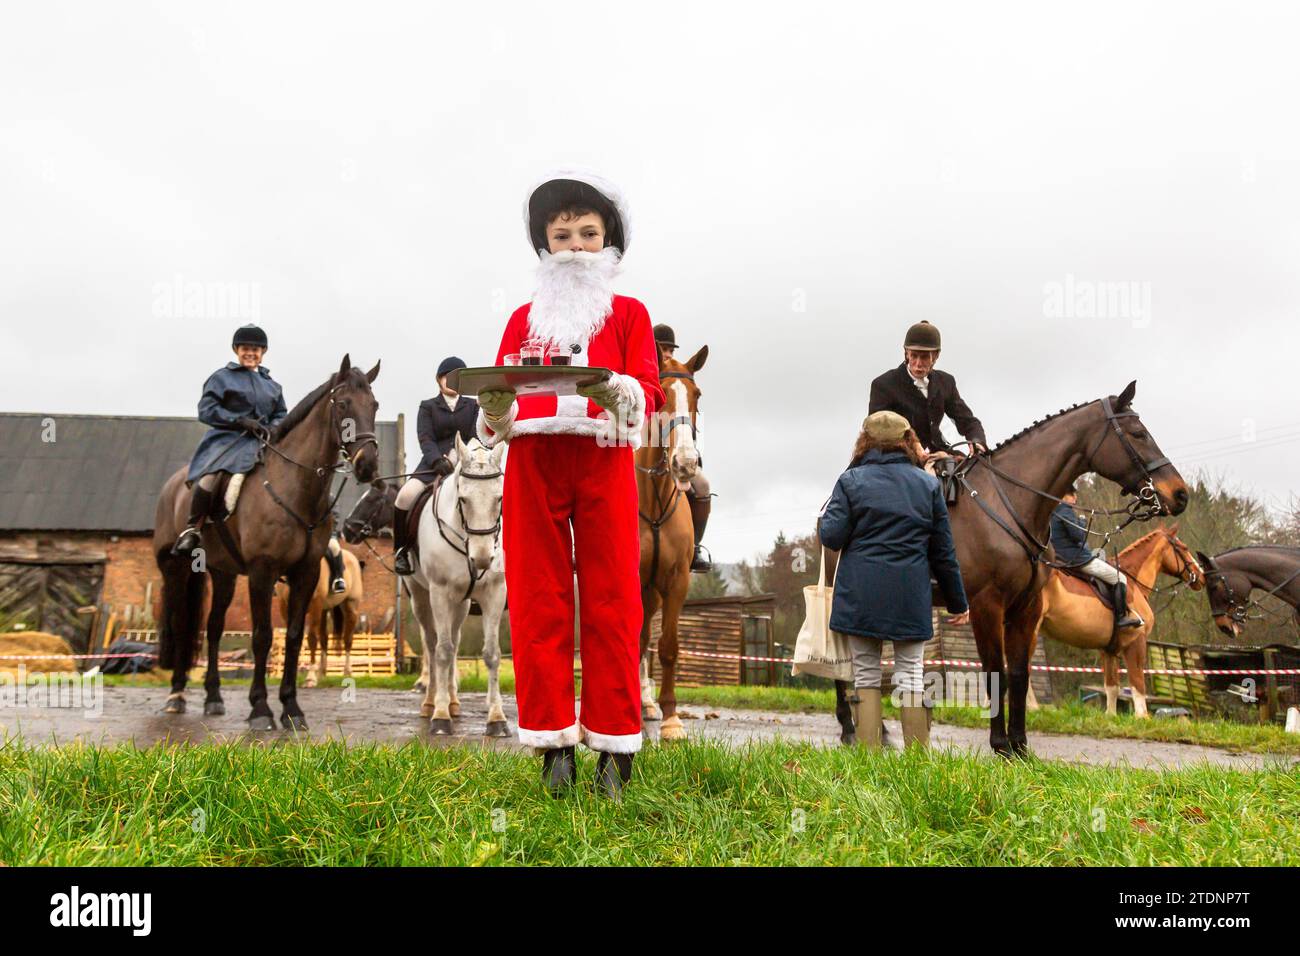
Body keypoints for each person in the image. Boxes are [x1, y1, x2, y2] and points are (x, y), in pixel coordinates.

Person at [476, 169, 663, 798]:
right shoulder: (524, 317)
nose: (576, 246)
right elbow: (498, 391)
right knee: (537, 598)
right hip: (534, 459)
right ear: (545, 245)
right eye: (563, 235)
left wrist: (617, 389)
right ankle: (553, 743)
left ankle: (616, 747)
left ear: (608, 243)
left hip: (604, 458)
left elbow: (649, 392)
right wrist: (495, 412)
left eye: (588, 234)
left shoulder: (631, 313)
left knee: (614, 598)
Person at [818, 410, 968, 750]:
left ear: (865, 441)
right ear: (908, 442)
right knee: (912, 674)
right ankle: (916, 763)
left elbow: (831, 536)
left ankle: (869, 761)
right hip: (909, 596)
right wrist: (958, 602)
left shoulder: (850, 481)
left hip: (861, 595)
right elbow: (943, 553)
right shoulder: (928, 485)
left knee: (866, 674)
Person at [174, 325, 288, 555]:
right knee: (210, 478)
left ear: (263, 352)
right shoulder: (222, 378)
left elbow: (281, 414)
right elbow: (206, 410)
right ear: (237, 349)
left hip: (262, 441)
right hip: (228, 439)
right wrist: (239, 420)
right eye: (246, 348)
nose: (251, 353)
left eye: (256, 350)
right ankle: (193, 529)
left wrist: (271, 428)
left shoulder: (273, 385)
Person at [392, 356, 478, 576]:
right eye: (446, 377)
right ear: (439, 380)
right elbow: (425, 438)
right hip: (432, 465)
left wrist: (460, 457)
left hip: (465, 465)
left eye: (456, 378)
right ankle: (401, 550)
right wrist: (437, 460)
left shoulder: (473, 406)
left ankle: (497, 555)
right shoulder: (428, 406)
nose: (450, 381)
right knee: (404, 496)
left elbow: (476, 436)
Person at [868, 321, 987, 465]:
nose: (918, 363)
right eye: (914, 356)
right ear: (906, 353)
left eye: (924, 357)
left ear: (935, 356)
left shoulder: (946, 382)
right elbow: (878, 432)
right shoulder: (883, 385)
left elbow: (967, 421)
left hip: (938, 453)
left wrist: (977, 441)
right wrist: (914, 447)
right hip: (898, 458)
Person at [653, 323, 713, 573]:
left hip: (676, 453)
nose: (667, 354)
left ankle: (695, 547)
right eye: (662, 350)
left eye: (669, 350)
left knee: (703, 486)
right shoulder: (641, 371)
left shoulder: (680, 375)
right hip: (637, 450)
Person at [1050, 485, 1143, 630]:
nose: (1075, 498)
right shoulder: (1065, 511)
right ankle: (1121, 618)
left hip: (1060, 557)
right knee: (1119, 578)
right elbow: (1079, 535)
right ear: (1064, 496)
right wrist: (1082, 521)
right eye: (1072, 495)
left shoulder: (1052, 512)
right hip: (1077, 559)